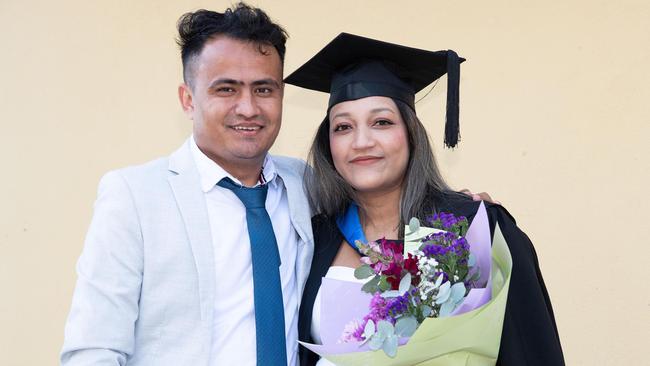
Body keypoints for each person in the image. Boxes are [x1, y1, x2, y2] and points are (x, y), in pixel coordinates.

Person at [284, 33, 565, 365]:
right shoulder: (312, 239)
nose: (361, 141)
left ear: (411, 134)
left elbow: (530, 350)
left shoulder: (472, 230)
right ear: (328, 144)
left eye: (382, 122)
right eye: (343, 127)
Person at [61, 4, 313, 365]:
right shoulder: (134, 196)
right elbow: (93, 349)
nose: (248, 108)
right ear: (188, 100)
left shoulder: (306, 184)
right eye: (226, 89)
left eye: (264, 89)